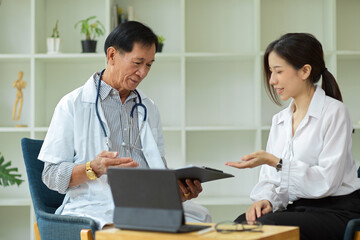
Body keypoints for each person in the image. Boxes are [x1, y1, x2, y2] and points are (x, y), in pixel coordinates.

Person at [38, 21, 210, 229]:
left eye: (149, 65)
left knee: (202, 221)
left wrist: (178, 191)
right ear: (112, 55)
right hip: (96, 205)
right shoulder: (72, 105)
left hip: (149, 205)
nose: (143, 73)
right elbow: (51, 176)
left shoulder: (148, 108)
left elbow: (158, 169)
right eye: (137, 63)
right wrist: (93, 168)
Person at [226, 33, 360, 240]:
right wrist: (267, 201)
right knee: (240, 224)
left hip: (337, 211)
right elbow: (272, 181)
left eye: (278, 71)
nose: (272, 80)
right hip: (299, 209)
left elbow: (327, 181)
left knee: (265, 227)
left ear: (305, 71)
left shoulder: (335, 112)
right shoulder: (279, 120)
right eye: (271, 72)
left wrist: (276, 162)